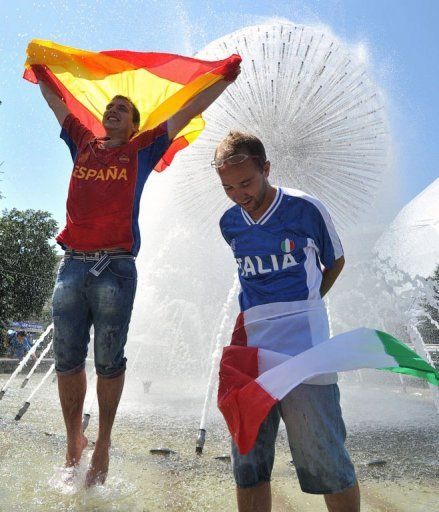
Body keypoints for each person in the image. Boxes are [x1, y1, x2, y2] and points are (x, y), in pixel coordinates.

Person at [38, 65, 240, 487]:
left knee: (109, 359)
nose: (112, 111)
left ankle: (104, 445)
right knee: (67, 359)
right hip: (72, 264)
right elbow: (57, 103)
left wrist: (222, 80)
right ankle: (74, 443)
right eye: (109, 107)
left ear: (134, 125)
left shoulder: (142, 150)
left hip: (116, 266)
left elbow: (186, 110)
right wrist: (41, 70)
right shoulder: (82, 143)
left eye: (122, 110)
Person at [214, 131, 360, 512]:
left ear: (266, 168)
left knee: (326, 461)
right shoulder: (229, 223)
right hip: (252, 357)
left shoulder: (306, 209)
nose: (238, 193)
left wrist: (307, 304)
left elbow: (336, 261)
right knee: (248, 464)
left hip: (305, 351)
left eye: (246, 182)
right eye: (228, 186)